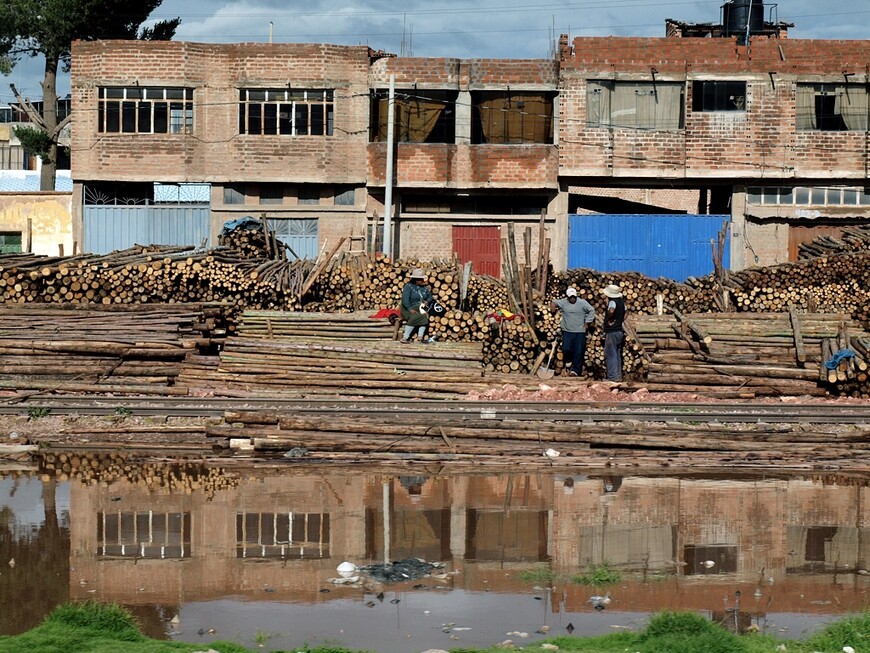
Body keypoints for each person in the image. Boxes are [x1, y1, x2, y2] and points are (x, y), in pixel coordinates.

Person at [549, 287, 595, 377]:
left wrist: (587, 322)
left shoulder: (582, 303)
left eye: (574, 297)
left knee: (579, 351)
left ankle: (575, 370)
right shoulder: (564, 302)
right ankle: (568, 360)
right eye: (570, 297)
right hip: (567, 331)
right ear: (567, 297)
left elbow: (591, 310)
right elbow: (554, 301)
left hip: (580, 331)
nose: (572, 298)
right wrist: (553, 306)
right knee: (566, 348)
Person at [399, 268, 434, 343]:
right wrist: (409, 309)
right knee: (415, 316)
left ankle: (420, 337)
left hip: (420, 307)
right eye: (421, 279)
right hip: (407, 309)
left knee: (424, 315)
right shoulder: (408, 287)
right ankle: (405, 337)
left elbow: (430, 297)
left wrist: (427, 301)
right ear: (416, 280)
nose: (422, 281)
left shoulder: (424, 288)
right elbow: (405, 300)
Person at [602, 283, 626, 381]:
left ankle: (612, 377)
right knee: (617, 354)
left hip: (612, 331)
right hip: (619, 331)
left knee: (611, 354)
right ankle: (618, 376)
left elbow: (611, 311)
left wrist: (610, 319)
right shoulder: (622, 303)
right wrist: (620, 320)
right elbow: (627, 312)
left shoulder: (612, 302)